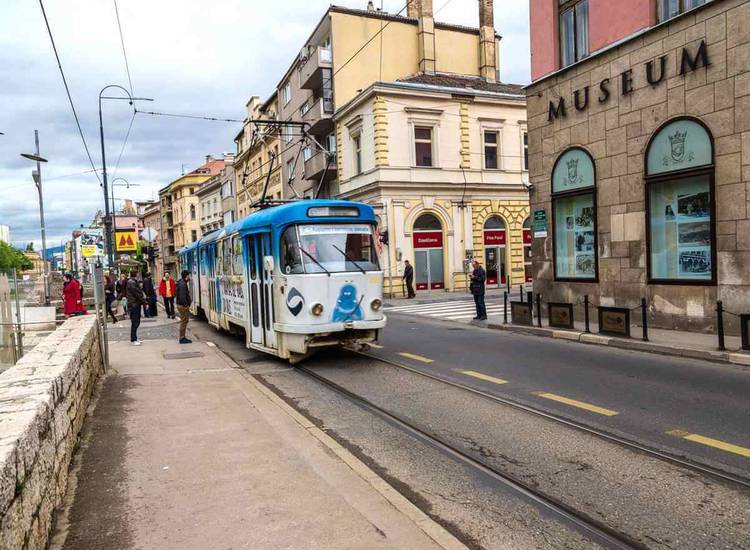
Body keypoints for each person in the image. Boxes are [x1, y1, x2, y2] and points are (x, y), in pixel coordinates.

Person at [126, 270, 145, 346]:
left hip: (135, 304)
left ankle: (135, 338)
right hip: (134, 304)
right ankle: (133, 339)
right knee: (135, 322)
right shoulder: (132, 282)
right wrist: (143, 301)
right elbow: (136, 293)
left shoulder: (133, 281)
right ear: (136, 274)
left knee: (136, 322)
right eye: (137, 273)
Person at [176, 270, 192, 344]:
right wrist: (186, 305)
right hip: (182, 306)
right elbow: (182, 296)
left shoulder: (181, 282)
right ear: (186, 276)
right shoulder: (183, 284)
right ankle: (182, 338)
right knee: (184, 321)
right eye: (189, 275)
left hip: (181, 305)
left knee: (184, 321)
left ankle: (182, 337)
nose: (190, 277)